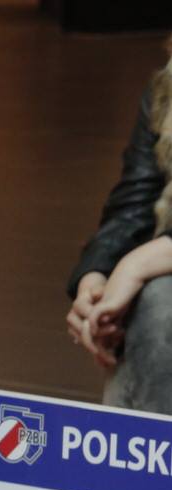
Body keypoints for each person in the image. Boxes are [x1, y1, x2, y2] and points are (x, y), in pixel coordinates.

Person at [66, 38, 172, 415]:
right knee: (143, 302)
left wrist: (139, 264)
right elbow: (135, 199)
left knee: (160, 303)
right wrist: (96, 279)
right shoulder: (168, 85)